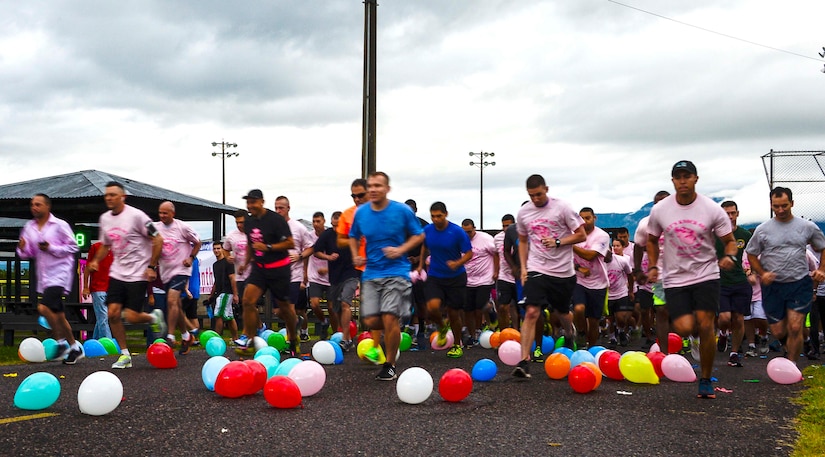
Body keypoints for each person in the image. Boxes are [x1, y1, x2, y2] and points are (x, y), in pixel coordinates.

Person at [646, 161, 738, 399]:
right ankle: (696, 337)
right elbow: (652, 239)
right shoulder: (661, 210)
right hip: (675, 277)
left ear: (696, 179)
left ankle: (705, 379)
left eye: (687, 176)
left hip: (705, 274)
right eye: (678, 177)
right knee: (686, 326)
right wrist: (654, 265)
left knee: (706, 323)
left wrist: (728, 255)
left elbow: (729, 239)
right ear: (673, 181)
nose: (683, 181)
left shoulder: (711, 209)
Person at [349, 172, 425, 380]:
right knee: (372, 320)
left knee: (390, 317)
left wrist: (401, 250)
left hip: (397, 272)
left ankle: (390, 364)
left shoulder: (401, 211)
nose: (373, 189)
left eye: (378, 186)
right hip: (372, 272)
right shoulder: (362, 212)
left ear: (387, 189)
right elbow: (353, 236)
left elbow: (419, 235)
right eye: (371, 186)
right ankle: (398, 322)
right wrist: (356, 255)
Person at [86, 181, 167, 369]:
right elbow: (106, 244)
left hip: (138, 273)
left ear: (123, 197)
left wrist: (152, 266)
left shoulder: (137, 216)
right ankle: (124, 355)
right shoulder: (105, 219)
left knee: (131, 316)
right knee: (113, 314)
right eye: (107, 195)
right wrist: (96, 260)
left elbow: (158, 238)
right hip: (118, 272)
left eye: (113, 195)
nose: (109, 198)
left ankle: (153, 318)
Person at [514, 174, 586, 378]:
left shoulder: (562, 207)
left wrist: (558, 242)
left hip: (563, 272)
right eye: (531, 196)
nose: (535, 199)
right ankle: (524, 361)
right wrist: (524, 267)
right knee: (531, 311)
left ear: (546, 189)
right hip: (537, 268)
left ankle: (569, 333)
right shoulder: (524, 212)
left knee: (561, 313)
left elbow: (581, 235)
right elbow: (523, 240)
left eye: (538, 194)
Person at [745, 186, 825, 364]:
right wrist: (762, 272)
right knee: (779, 331)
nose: (780, 210)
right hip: (773, 286)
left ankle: (792, 365)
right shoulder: (763, 229)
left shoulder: (807, 227)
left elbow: (822, 246)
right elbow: (751, 253)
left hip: (799, 283)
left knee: (796, 326)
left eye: (784, 206)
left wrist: (822, 270)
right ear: (771, 205)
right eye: (776, 206)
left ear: (792, 203)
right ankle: (788, 345)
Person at [232, 189, 301, 357]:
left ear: (262, 202)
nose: (250, 206)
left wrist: (268, 247)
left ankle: (293, 337)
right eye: (248, 203)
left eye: (253, 202)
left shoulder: (275, 220)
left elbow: (290, 243)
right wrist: (245, 263)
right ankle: (249, 339)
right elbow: (251, 244)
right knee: (247, 301)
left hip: (279, 269)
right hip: (260, 269)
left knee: (284, 310)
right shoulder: (249, 222)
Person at [17, 193, 83, 364]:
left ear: (47, 206)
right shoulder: (29, 228)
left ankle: (61, 343)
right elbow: (29, 254)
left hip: (60, 273)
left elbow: (73, 246)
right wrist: (22, 249)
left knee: (44, 307)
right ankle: (74, 347)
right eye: (32, 204)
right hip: (44, 276)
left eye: (38, 204)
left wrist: (51, 247)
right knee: (59, 315)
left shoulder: (59, 225)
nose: (34, 207)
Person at [418, 202, 473, 359]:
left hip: (456, 277)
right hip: (435, 275)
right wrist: (421, 265)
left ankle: (457, 345)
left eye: (439, 216)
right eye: (433, 216)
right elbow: (424, 247)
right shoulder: (428, 230)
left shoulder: (456, 232)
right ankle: (442, 327)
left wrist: (457, 263)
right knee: (432, 307)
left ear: (446, 214)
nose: (436, 219)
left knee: (453, 313)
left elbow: (469, 253)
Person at [155, 201, 202, 353]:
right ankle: (186, 335)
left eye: (165, 213)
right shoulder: (155, 227)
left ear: (173, 214)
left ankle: (170, 336)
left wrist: (191, 258)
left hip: (182, 270)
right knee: (177, 306)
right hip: (166, 272)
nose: (162, 216)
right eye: (160, 213)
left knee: (171, 300)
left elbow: (198, 242)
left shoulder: (183, 227)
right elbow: (143, 232)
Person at [315, 211, 360, 351]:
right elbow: (316, 251)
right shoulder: (327, 235)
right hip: (335, 277)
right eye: (334, 226)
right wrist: (327, 257)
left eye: (338, 226)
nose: (336, 229)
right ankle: (346, 335)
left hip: (351, 274)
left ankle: (346, 339)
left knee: (345, 303)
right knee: (337, 308)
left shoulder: (351, 235)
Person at [715, 201, 753, 367]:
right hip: (720, 283)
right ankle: (723, 333)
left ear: (737, 214)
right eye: (726, 213)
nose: (729, 216)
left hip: (740, 282)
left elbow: (754, 256)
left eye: (732, 213)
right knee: (724, 318)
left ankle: (734, 353)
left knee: (738, 319)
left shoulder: (745, 235)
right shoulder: (714, 235)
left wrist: (753, 272)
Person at [634, 191, 671, 352]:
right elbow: (637, 245)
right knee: (661, 310)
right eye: (657, 203)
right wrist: (637, 270)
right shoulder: (645, 224)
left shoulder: (681, 221)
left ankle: (692, 335)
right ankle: (664, 352)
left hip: (683, 271)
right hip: (659, 273)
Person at [571, 207, 611, 349]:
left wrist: (571, 244)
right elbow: (563, 257)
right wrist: (578, 268)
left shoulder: (602, 236)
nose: (584, 221)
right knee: (579, 308)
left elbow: (590, 255)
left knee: (593, 321)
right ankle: (581, 333)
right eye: (581, 218)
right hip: (579, 280)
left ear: (594, 218)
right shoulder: (573, 234)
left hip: (598, 282)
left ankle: (592, 348)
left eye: (587, 218)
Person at [274, 196, 312, 340]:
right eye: (276, 208)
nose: (278, 211)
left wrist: (300, 256)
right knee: (278, 311)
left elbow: (310, 248)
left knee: (290, 307)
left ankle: (291, 342)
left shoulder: (298, 228)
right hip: (277, 275)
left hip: (294, 274)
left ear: (288, 208)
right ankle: (297, 320)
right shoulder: (273, 228)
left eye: (281, 208)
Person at [462, 218, 499, 347]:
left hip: (485, 278)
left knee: (480, 305)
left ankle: (486, 315)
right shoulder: (460, 240)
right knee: (467, 309)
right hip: (468, 280)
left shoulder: (485, 239)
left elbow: (496, 254)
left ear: (475, 228)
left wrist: (496, 271)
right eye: (465, 232)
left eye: (470, 232)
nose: (467, 235)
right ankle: (472, 335)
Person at [223, 209, 251, 328]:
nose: (239, 225)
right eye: (237, 222)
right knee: (244, 304)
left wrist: (246, 264)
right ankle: (257, 327)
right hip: (239, 276)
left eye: (242, 222)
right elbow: (225, 249)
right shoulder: (231, 235)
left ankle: (250, 331)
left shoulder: (254, 234)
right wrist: (227, 257)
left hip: (254, 274)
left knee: (249, 302)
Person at [306, 211, 331, 339]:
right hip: (314, 276)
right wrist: (304, 276)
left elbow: (337, 256)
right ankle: (323, 321)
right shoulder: (309, 236)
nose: (316, 224)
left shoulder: (330, 236)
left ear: (324, 221)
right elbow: (306, 254)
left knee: (332, 308)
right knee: (314, 304)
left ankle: (336, 335)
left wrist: (327, 269)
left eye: (318, 221)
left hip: (330, 277)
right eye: (314, 222)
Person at [207, 242, 239, 340]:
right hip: (220, 292)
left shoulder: (228, 262)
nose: (216, 251)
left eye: (218, 248)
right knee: (229, 317)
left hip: (226, 292)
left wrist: (235, 294)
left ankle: (216, 340)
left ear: (222, 249)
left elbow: (232, 278)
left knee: (218, 314)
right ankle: (236, 339)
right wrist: (211, 295)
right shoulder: (215, 265)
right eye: (214, 249)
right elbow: (216, 282)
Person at [82, 241, 113, 340]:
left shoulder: (117, 247)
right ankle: (107, 343)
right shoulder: (96, 247)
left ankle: (95, 341)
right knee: (103, 316)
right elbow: (88, 267)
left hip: (112, 287)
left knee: (102, 317)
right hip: (98, 287)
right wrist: (86, 287)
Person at [606, 239, 634, 347]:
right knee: (610, 319)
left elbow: (630, 275)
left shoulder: (621, 261)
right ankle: (612, 338)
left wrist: (631, 291)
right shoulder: (599, 262)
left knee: (621, 318)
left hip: (621, 293)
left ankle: (621, 331)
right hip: (607, 295)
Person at [494, 214, 518, 330]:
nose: (505, 229)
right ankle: (503, 332)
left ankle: (517, 330)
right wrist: (496, 271)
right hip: (504, 276)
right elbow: (496, 254)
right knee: (503, 307)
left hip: (519, 276)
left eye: (508, 226)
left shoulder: (519, 236)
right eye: (503, 226)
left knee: (518, 308)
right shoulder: (498, 238)